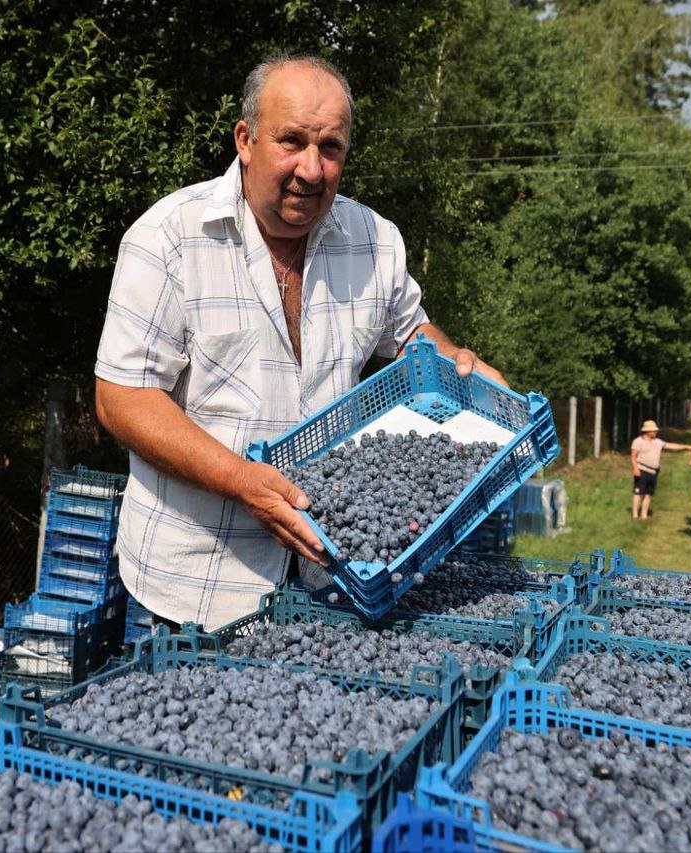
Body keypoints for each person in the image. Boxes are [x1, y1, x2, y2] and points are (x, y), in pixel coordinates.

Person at [93, 55, 505, 628]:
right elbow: (123, 399)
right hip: (194, 588)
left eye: (330, 148)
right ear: (245, 139)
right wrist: (244, 483)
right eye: (292, 141)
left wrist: (457, 362)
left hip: (334, 580)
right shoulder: (168, 239)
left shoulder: (374, 241)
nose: (311, 170)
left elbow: (412, 334)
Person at [629, 420, 691, 520]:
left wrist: (686, 447)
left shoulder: (658, 442)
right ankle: (635, 514)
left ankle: (644, 514)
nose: (656, 432)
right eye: (654, 430)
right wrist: (635, 469)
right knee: (638, 493)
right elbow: (633, 456)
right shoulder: (638, 441)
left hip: (654, 471)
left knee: (649, 494)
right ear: (647, 431)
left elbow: (671, 446)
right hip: (642, 469)